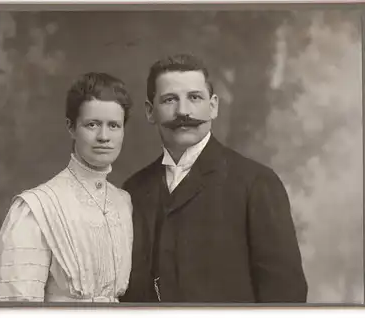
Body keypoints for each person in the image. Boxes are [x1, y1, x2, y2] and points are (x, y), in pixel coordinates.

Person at [120, 54, 308, 303]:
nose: (183, 111)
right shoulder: (133, 190)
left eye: (194, 98)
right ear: (150, 111)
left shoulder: (256, 183)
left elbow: (286, 294)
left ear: (213, 106)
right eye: (169, 100)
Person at [0, 72, 133, 302]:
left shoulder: (124, 203)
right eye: (92, 124)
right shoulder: (37, 208)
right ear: (71, 127)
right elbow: (16, 307)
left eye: (114, 125)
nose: (104, 136)